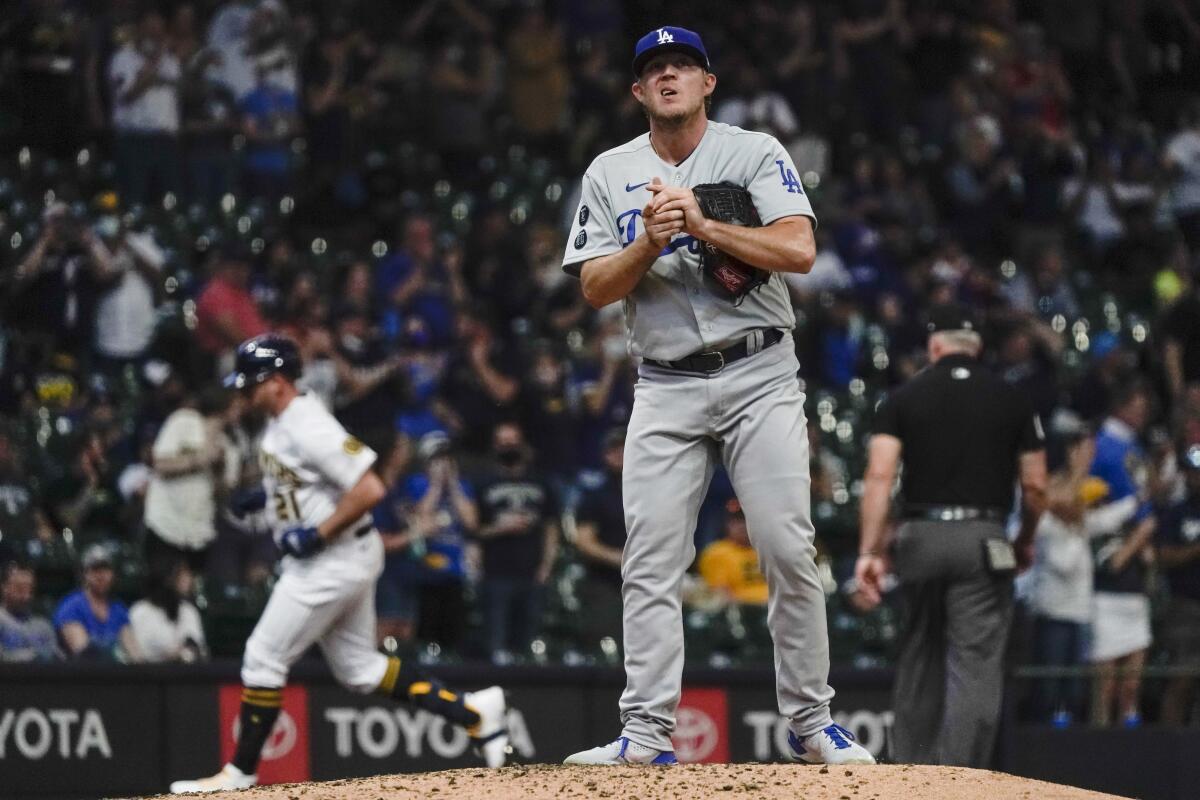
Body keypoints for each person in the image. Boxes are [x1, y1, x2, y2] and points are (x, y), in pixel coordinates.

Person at [560, 27, 873, 766]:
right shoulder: (610, 171)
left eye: (683, 66)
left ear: (707, 83)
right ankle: (644, 735)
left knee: (788, 549)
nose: (669, 75)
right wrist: (645, 243)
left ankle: (810, 723)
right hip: (665, 383)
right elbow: (594, 287)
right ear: (639, 92)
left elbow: (798, 250)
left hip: (758, 374)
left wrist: (704, 226)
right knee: (651, 559)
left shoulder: (754, 152)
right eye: (654, 69)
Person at [169, 334, 508, 793]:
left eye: (250, 383)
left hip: (332, 559)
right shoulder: (280, 420)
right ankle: (471, 712)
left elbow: (369, 489)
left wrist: (319, 532)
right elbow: (305, 479)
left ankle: (240, 773)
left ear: (277, 382)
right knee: (360, 670)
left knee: (263, 657)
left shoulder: (307, 422)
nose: (243, 392)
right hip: (343, 556)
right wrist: (267, 495)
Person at [856, 304, 1047, 767]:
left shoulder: (903, 397)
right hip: (983, 539)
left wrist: (870, 552)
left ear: (934, 346)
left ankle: (913, 777)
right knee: (974, 665)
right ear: (977, 348)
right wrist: (1023, 539)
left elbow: (880, 477)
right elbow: (1036, 486)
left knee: (919, 656)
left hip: (919, 537)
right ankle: (961, 782)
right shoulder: (1013, 399)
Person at [1027, 430, 1138, 726]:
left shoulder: (1083, 524)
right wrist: (1078, 468)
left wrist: (1140, 498)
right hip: (1053, 614)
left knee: (1075, 692)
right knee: (1048, 690)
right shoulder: (1047, 521)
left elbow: (1109, 516)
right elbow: (1061, 504)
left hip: (1080, 614)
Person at [1087, 384, 1157, 728]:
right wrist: (1137, 530)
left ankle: (1130, 745)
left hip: (1135, 588)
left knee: (1131, 685)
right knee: (1107, 684)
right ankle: (1100, 748)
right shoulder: (1102, 446)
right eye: (1137, 405)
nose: (1142, 413)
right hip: (1107, 585)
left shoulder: (1136, 448)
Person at [473, 422, 560, 663]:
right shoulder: (484, 484)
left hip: (533, 571)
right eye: (503, 442)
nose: (508, 447)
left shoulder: (541, 483)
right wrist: (499, 528)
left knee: (530, 642)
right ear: (494, 446)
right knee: (497, 645)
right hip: (496, 571)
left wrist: (546, 565)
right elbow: (473, 530)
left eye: (513, 441)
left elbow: (551, 528)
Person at [1157, 443, 1200, 726]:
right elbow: (1163, 556)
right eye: (1193, 472)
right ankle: (1169, 749)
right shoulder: (1176, 512)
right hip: (1185, 606)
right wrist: (1196, 549)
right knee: (1181, 680)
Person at [572, 428, 627, 650]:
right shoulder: (596, 495)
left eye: (624, 449)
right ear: (605, 455)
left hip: (644, 578)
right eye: (614, 450)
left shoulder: (649, 492)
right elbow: (583, 541)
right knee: (606, 639)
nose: (620, 455)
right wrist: (617, 558)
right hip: (605, 580)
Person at [53, 544, 141, 662]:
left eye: (105, 569)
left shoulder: (118, 609)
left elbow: (135, 654)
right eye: (95, 570)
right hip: (80, 676)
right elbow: (83, 653)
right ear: (85, 574)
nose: (101, 575)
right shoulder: (71, 607)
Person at [129, 559, 209, 663]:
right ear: (168, 579)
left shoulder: (188, 610)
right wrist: (172, 653)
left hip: (184, 673)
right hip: (149, 673)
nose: (188, 580)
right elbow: (140, 653)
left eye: (188, 574)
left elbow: (196, 647)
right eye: (182, 575)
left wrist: (185, 652)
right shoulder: (140, 610)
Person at [697, 498, 769, 606]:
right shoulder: (717, 552)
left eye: (747, 520)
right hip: (742, 611)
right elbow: (720, 594)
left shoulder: (769, 549)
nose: (743, 526)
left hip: (776, 608)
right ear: (728, 524)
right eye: (738, 520)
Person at [0, 562, 60, 662]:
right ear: (4, 588)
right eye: (20, 590)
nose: (26, 596)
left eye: (30, 590)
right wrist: (33, 656)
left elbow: (57, 659)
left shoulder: (43, 626)